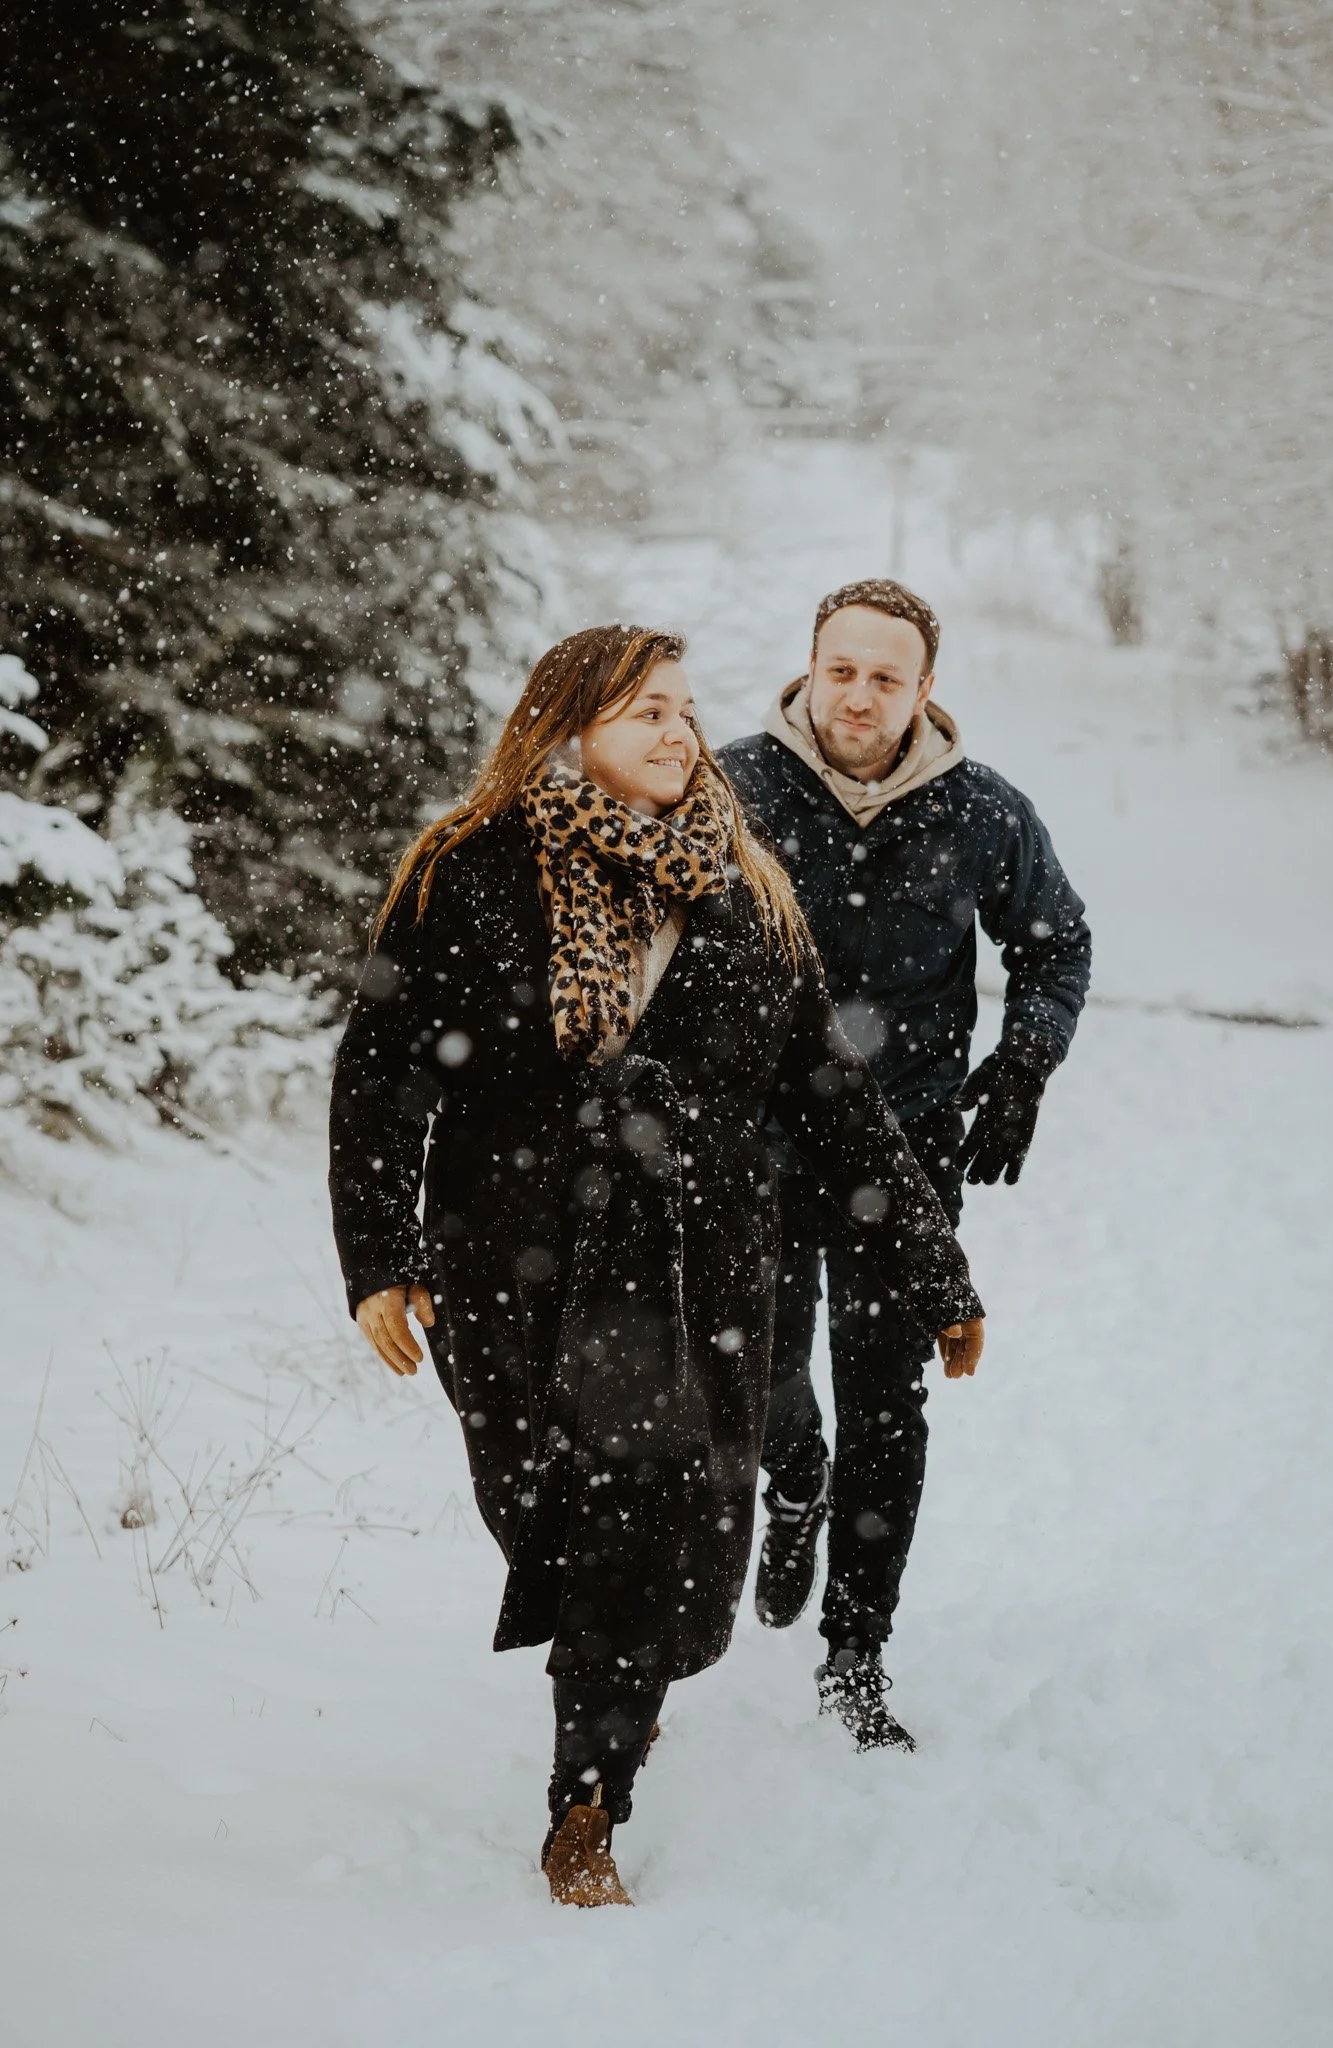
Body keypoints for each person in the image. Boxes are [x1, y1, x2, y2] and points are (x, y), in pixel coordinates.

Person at [328, 623, 985, 1907]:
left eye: (684, 708)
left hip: (694, 1269)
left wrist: (933, 1266)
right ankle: (615, 1666)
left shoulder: (746, 886)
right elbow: (381, 1071)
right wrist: (379, 1255)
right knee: (543, 1508)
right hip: (508, 1256)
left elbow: (833, 1093)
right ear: (569, 728)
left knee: (640, 1515)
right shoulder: (470, 869)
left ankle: (587, 1800)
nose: (680, 733)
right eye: (645, 711)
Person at [719, 580, 1090, 1751]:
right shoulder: (731, 790)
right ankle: (794, 1474)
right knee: (762, 1371)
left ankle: (855, 1655)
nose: (860, 696)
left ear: (925, 687)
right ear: (809, 668)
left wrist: (1025, 1062)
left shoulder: (982, 810)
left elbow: (1057, 944)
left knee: (887, 1399)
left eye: (887, 676)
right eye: (843, 670)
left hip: (909, 1142)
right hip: (760, 1143)